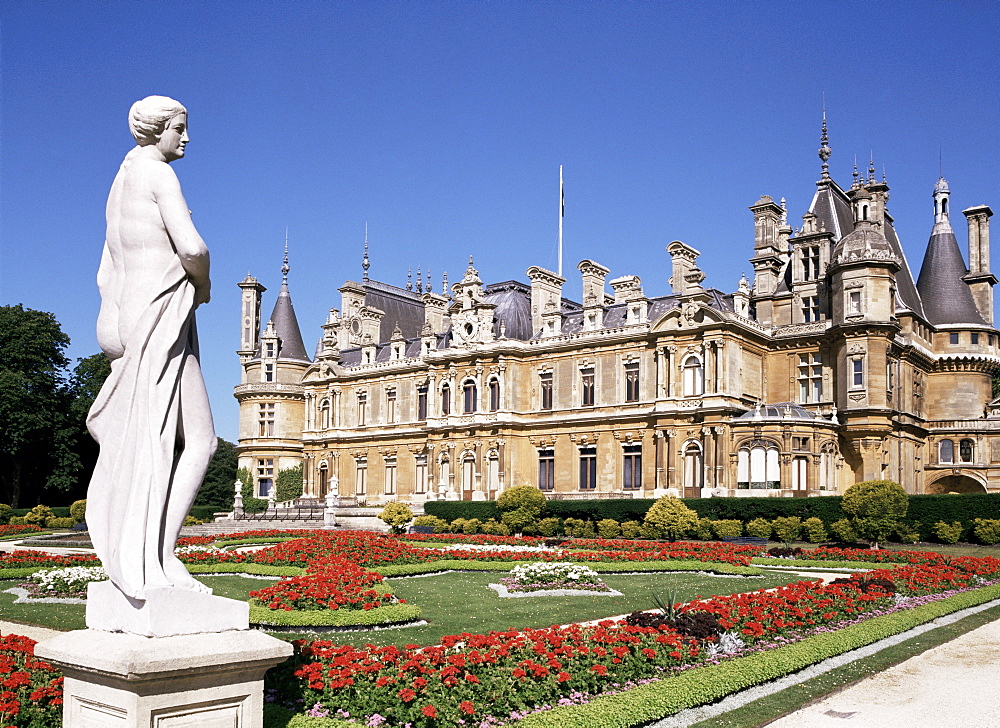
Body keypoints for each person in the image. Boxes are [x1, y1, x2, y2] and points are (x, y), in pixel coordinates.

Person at [87, 96, 216, 600]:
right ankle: (158, 556)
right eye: (180, 128)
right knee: (197, 441)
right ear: (158, 129)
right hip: (162, 314)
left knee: (142, 436)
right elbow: (193, 248)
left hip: (124, 318)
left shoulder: (120, 182)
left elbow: (105, 270)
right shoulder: (160, 175)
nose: (186, 138)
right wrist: (202, 285)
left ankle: (143, 553)